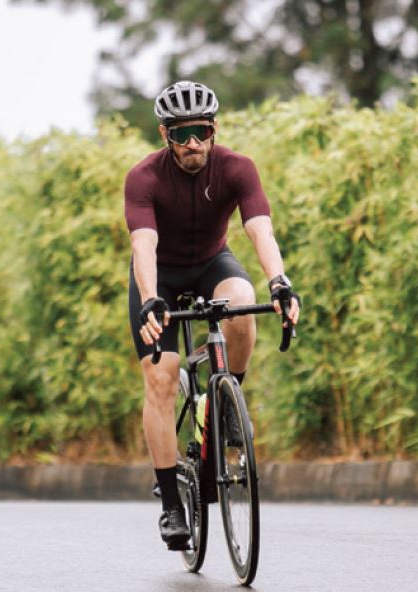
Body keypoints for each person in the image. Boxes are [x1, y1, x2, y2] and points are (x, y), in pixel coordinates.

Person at [124, 80, 301, 550]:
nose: (192, 144)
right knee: (161, 376)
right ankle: (169, 503)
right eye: (181, 134)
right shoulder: (144, 177)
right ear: (165, 134)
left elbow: (260, 230)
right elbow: (144, 245)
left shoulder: (238, 168)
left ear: (214, 128)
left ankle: (226, 399)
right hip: (158, 276)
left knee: (243, 302)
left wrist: (279, 282)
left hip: (210, 264)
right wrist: (148, 298)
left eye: (200, 131)